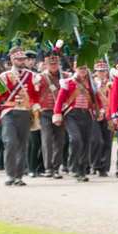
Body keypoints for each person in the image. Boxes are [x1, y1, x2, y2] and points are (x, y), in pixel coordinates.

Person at [0, 47, 40, 186]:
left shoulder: (31, 76)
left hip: (24, 111)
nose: (21, 61)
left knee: (23, 145)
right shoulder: (4, 76)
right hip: (9, 113)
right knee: (10, 143)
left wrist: (35, 105)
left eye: (23, 59)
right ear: (12, 59)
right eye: (18, 59)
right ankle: (10, 174)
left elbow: (35, 96)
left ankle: (19, 176)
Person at [53, 51, 105, 182]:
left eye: (85, 68)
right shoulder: (68, 82)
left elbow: (96, 99)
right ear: (75, 67)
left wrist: (100, 110)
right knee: (76, 140)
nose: (83, 70)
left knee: (86, 142)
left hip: (86, 114)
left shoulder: (92, 83)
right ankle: (73, 166)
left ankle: (82, 170)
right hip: (72, 114)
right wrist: (57, 113)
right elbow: (60, 99)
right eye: (81, 67)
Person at [34, 47, 65, 178]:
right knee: (46, 140)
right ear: (46, 64)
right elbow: (34, 93)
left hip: (60, 112)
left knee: (59, 140)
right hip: (45, 112)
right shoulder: (40, 77)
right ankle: (48, 168)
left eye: (56, 63)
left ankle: (56, 167)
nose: (54, 66)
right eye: (51, 63)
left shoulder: (65, 77)